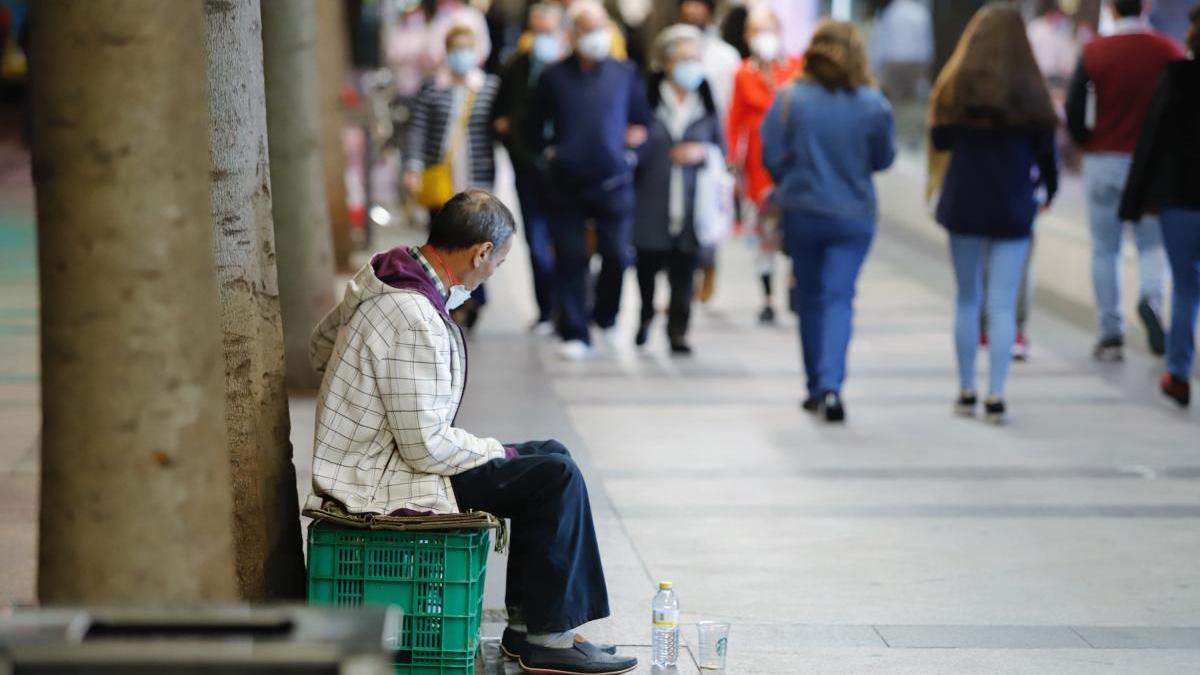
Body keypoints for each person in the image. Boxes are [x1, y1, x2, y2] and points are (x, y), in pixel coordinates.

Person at [308, 190, 639, 675]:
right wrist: (492, 450)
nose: (492, 274)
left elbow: (318, 348)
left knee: (552, 453)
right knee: (554, 477)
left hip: (384, 454)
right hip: (379, 476)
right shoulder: (412, 313)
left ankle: (531, 628)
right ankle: (547, 637)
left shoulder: (384, 274)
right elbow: (425, 447)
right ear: (480, 252)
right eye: (498, 263)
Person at [929, 3, 1059, 425]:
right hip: (1012, 206)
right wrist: (1049, 191)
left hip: (965, 202)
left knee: (968, 298)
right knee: (1002, 305)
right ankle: (996, 395)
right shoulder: (1031, 92)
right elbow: (1048, 155)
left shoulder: (959, 88)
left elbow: (940, 138)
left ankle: (965, 389)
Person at [761, 21, 895, 423]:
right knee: (839, 297)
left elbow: (771, 157)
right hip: (854, 215)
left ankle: (815, 385)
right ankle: (833, 386)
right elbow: (884, 159)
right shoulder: (873, 104)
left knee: (810, 296)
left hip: (804, 211)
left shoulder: (789, 99)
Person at [528, 0, 652, 360]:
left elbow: (644, 122)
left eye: (601, 28)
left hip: (614, 182)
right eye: (588, 29)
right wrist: (549, 154)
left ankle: (606, 316)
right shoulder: (553, 76)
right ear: (573, 34)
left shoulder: (625, 73)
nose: (596, 37)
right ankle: (575, 330)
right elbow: (531, 126)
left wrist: (632, 154)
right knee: (570, 258)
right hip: (566, 184)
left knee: (616, 255)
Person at [1065, 0, 1186, 362]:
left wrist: (1088, 142)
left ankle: (1110, 332)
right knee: (1152, 245)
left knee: (1106, 248)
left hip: (1104, 158)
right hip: (1150, 163)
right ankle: (1150, 299)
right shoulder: (1168, 50)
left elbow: (1073, 109)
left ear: (1112, 9)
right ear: (1145, 6)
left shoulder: (1094, 51)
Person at [1120, 5, 1200, 407]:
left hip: (1181, 200)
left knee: (1187, 287)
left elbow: (1152, 140)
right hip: (1180, 198)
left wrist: (1134, 200)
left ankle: (1180, 372)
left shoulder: (1178, 78)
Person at [632, 25, 725, 356]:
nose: (692, 66)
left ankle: (678, 331)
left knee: (685, 271)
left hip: (691, 204)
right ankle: (644, 316)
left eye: (696, 59)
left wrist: (703, 153)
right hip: (651, 199)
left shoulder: (707, 101)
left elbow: (720, 148)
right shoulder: (646, 98)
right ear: (666, 63)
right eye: (684, 59)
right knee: (647, 267)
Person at [404, 25, 501, 329]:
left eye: (467, 48)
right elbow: (417, 130)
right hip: (440, 180)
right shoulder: (432, 88)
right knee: (445, 241)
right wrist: (413, 167)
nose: (462, 55)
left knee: (479, 239)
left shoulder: (489, 87)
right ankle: (446, 296)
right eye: (456, 49)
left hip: (478, 177)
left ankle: (477, 296)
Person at [726, 6, 802, 324]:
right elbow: (735, 121)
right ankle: (768, 296)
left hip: (794, 163)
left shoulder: (797, 69)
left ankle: (796, 281)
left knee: (796, 227)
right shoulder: (744, 73)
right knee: (763, 231)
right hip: (759, 167)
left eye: (769, 29)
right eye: (758, 31)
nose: (765, 38)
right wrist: (732, 162)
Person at [494, 3, 565, 336]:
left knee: (567, 241)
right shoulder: (516, 68)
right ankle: (546, 309)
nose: (542, 38)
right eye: (537, 31)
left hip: (566, 172)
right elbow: (501, 117)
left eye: (548, 31)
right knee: (537, 241)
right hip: (528, 168)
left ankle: (571, 306)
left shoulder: (571, 70)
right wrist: (514, 144)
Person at [867, 0, 933, 148]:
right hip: (914, 62)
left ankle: (892, 137)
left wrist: (875, 66)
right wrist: (925, 69)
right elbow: (926, 43)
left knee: (893, 102)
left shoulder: (890, 12)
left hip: (893, 61)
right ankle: (911, 138)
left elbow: (881, 41)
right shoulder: (920, 13)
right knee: (911, 101)